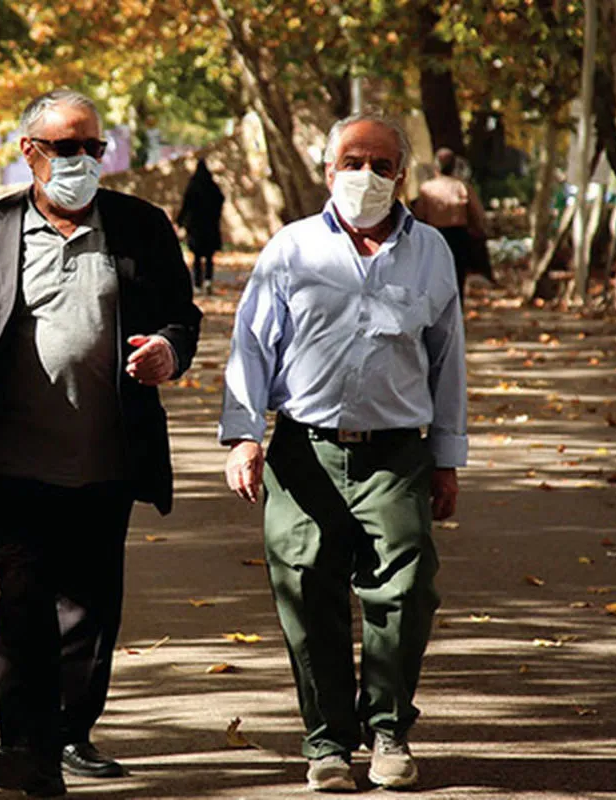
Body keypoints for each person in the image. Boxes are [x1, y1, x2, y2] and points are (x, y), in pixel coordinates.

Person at [0, 88, 201, 798]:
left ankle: (69, 732)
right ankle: (27, 748)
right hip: (12, 458)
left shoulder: (140, 226)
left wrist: (168, 351)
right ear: (29, 151)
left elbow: (181, 317)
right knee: (22, 603)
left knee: (90, 608)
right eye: (66, 147)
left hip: (107, 453)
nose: (83, 160)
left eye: (94, 147)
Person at [219, 112, 467, 793]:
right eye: (352, 162)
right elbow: (252, 346)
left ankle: (387, 728)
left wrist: (446, 459)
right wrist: (244, 436)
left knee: (406, 593)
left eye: (381, 165)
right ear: (329, 171)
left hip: (398, 455)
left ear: (401, 176)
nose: (366, 176)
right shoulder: (292, 248)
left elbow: (447, 359)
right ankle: (327, 740)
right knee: (306, 591)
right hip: (305, 450)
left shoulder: (431, 252)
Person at [412, 147, 488, 301]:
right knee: (458, 276)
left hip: (435, 235)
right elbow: (477, 213)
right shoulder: (462, 187)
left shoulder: (427, 188)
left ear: (436, 166)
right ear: (454, 166)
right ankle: (457, 308)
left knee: (435, 276)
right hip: (458, 237)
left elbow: (419, 215)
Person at [175, 158, 225, 295]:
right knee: (209, 257)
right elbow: (220, 200)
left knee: (197, 258)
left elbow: (186, 206)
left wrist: (180, 222)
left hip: (196, 228)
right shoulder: (212, 186)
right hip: (210, 226)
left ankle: (197, 284)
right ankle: (208, 281)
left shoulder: (193, 186)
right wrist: (215, 215)